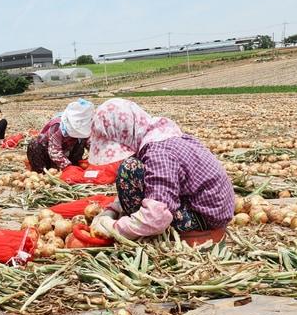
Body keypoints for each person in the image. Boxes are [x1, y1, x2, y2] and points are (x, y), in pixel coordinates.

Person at [87, 98, 234, 240]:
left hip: (206, 217)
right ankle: (137, 222)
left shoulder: (158, 154)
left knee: (129, 169)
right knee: (134, 167)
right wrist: (112, 210)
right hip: (212, 208)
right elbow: (153, 183)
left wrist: (114, 228)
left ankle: (144, 229)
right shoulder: (159, 134)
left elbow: (157, 217)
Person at [25, 98, 93, 172]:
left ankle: (74, 166)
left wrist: (98, 157)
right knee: (34, 144)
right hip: (47, 151)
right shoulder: (57, 126)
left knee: (82, 140)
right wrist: (67, 166)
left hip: (67, 151)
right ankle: (42, 171)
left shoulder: (85, 127)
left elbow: (90, 143)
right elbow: (54, 151)